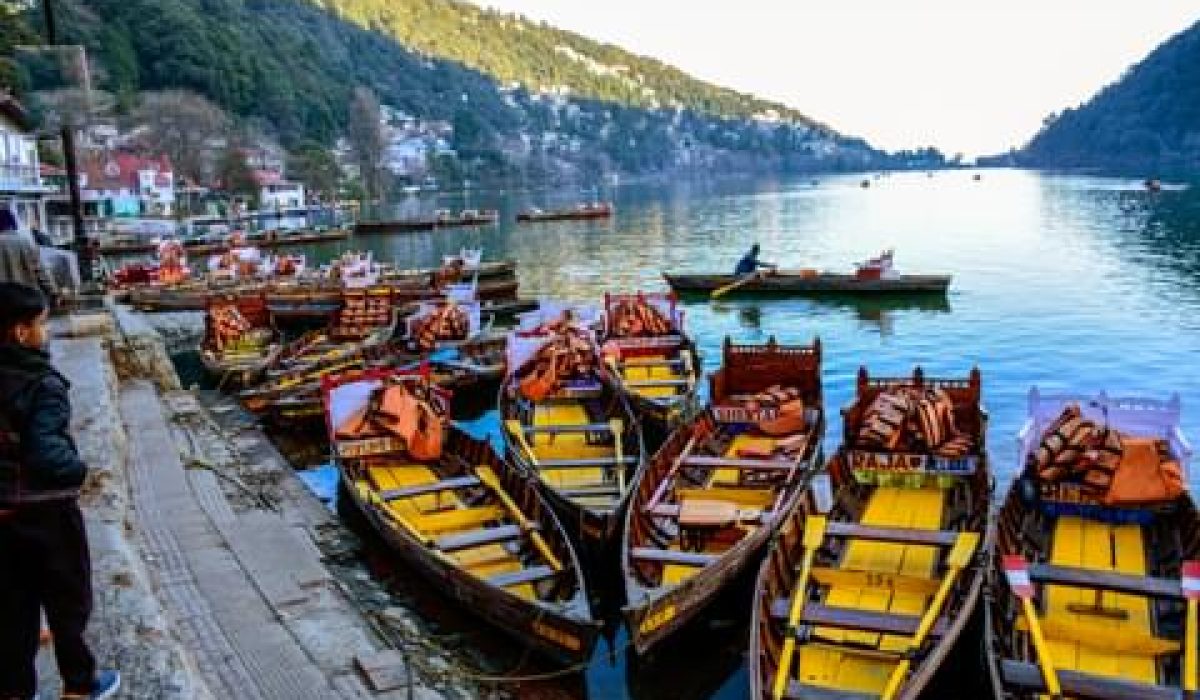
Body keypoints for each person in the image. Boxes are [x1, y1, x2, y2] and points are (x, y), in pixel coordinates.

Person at [0, 283, 120, 700]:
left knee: (13, 608)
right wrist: (78, 471)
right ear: (20, 332)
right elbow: (48, 455)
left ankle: (15, 690)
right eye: (41, 325)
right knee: (69, 601)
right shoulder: (43, 384)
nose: (45, 333)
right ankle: (79, 686)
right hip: (46, 513)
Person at [0, 209, 56, 301]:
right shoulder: (27, 242)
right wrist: (53, 292)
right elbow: (40, 272)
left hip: (4, 301)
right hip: (28, 299)